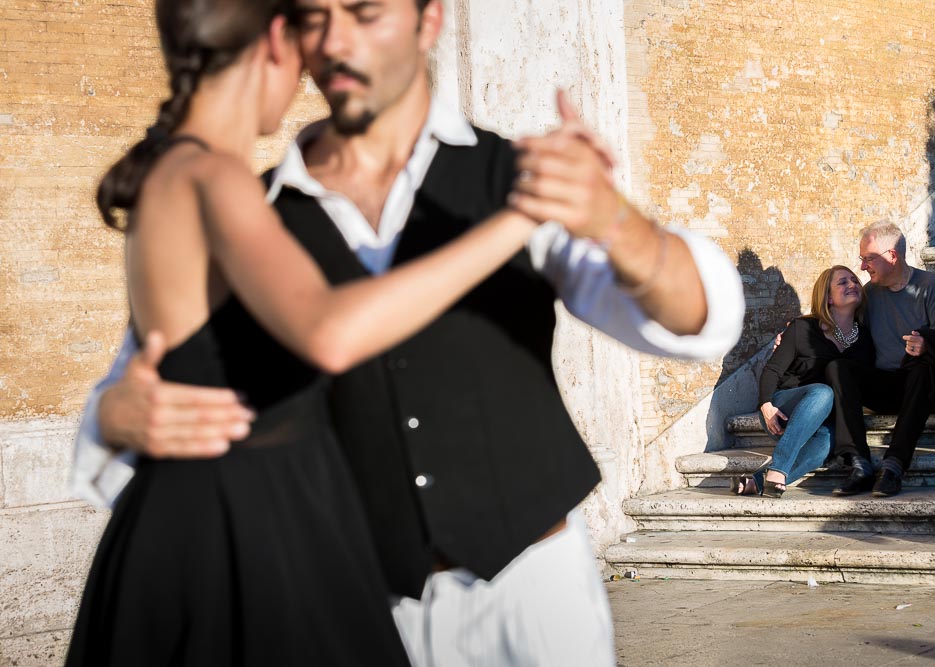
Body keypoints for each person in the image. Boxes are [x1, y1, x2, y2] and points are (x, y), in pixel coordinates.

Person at [71, 0, 746, 664]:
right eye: (314, 16)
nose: (336, 41)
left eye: (365, 12)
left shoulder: (517, 175)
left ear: (429, 20)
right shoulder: (252, 207)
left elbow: (698, 321)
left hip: (535, 602)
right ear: (286, 36)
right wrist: (113, 412)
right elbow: (158, 367)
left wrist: (616, 221)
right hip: (354, 605)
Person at [826, 222, 935, 498]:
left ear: (892, 256)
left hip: (927, 388)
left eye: (868, 259)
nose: (863, 267)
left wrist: (927, 345)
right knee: (838, 366)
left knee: (921, 367)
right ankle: (859, 464)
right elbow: (847, 334)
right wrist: (803, 333)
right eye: (862, 259)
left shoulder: (931, 285)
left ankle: (893, 466)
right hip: (888, 387)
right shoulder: (868, 294)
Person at [734, 266, 875, 497]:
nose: (852, 284)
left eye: (854, 280)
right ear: (828, 297)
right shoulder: (802, 329)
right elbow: (772, 370)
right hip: (782, 408)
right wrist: (766, 406)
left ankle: (758, 482)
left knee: (827, 443)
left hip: (823, 420)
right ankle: (779, 468)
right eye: (843, 282)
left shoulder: (865, 340)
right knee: (823, 392)